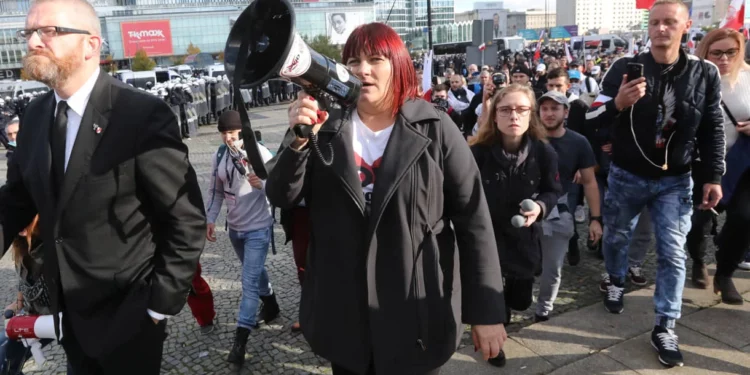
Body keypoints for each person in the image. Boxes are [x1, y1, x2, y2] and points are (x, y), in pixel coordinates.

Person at [266, 22, 507, 375]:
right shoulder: (323, 126)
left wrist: (486, 311)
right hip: (344, 313)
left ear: (398, 65)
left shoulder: (435, 128)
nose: (362, 69)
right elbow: (281, 194)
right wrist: (299, 142)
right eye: (352, 61)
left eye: (375, 59)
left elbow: (474, 220)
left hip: (418, 313)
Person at [0, 0, 207, 373]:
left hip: (129, 311)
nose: (32, 41)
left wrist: (159, 304)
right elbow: (17, 197)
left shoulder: (140, 115)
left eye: (48, 31)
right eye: (28, 32)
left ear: (91, 45)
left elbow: (185, 218)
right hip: (67, 311)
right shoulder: (34, 116)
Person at [585, 0, 725, 367]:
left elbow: (712, 128)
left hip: (675, 180)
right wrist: (618, 102)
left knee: (672, 253)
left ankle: (665, 324)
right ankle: (615, 279)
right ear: (648, 27)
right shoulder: (622, 68)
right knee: (616, 237)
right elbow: (590, 119)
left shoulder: (704, 72)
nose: (661, 29)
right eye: (655, 22)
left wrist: (713, 176)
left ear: (686, 26)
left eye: (669, 22)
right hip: (627, 174)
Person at [469, 84, 562, 366]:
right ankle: (496, 344)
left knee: (521, 299)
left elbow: (553, 189)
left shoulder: (544, 153)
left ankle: (508, 304)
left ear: (530, 114)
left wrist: (541, 208)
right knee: (497, 302)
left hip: (524, 236)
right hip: (489, 239)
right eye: (506, 109)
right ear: (494, 115)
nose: (514, 116)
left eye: (521, 109)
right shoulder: (478, 153)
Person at [204, 111, 279, 365]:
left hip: (258, 226)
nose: (228, 139)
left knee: (248, 282)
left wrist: (264, 185)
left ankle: (240, 341)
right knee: (254, 272)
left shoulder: (260, 153)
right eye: (224, 133)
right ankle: (271, 303)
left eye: (233, 134)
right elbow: (215, 191)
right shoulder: (220, 155)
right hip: (235, 228)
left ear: (242, 132)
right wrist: (210, 218)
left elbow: (281, 189)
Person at [694, 28, 750, 304]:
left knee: (744, 218)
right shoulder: (694, 78)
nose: (725, 58)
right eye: (717, 52)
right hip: (702, 163)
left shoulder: (749, 77)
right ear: (705, 52)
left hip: (742, 164)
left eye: (731, 52)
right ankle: (696, 259)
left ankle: (725, 273)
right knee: (698, 223)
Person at [534, 91, 601, 322]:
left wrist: (596, 218)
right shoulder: (527, 137)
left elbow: (590, 182)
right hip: (526, 209)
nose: (550, 113)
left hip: (559, 212)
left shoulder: (578, 142)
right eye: (545, 108)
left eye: (555, 108)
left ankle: (544, 308)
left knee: (552, 267)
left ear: (566, 112)